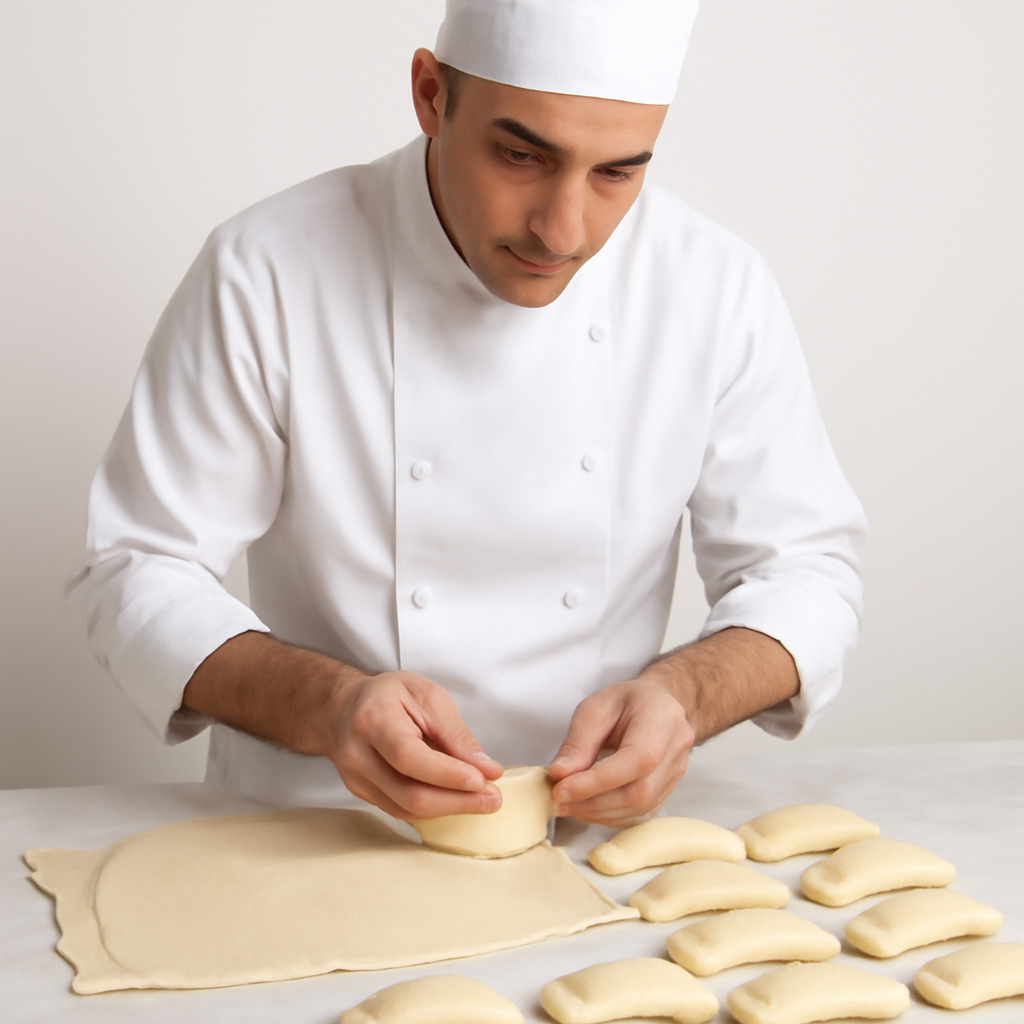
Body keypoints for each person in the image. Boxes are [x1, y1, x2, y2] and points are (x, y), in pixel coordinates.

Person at [70, 0, 867, 827]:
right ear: (429, 95)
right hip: (318, 825)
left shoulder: (714, 287)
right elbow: (137, 566)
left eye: (617, 173)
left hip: (596, 839)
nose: (563, 230)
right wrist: (330, 705)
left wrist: (685, 695)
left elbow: (805, 571)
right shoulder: (266, 270)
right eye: (521, 154)